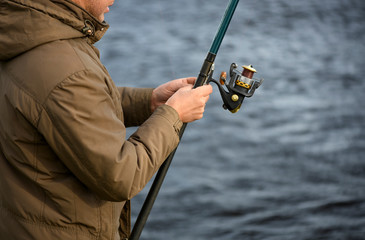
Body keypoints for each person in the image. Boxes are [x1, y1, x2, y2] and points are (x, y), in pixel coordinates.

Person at [0, 0, 212, 239]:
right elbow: (120, 175)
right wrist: (173, 115)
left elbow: (64, 105)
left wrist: (149, 102)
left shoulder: (27, 35)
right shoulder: (64, 68)